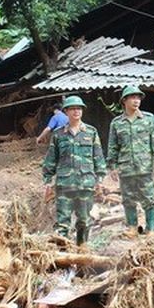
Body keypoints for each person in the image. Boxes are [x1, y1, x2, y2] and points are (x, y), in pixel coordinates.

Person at [42, 95, 106, 246]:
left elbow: (98, 156)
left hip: (85, 184)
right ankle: (61, 256)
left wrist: (100, 179)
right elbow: (51, 158)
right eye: (72, 109)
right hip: (65, 184)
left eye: (79, 108)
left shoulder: (91, 132)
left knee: (84, 221)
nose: (76, 111)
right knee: (62, 222)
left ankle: (81, 252)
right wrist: (47, 180)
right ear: (66, 111)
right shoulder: (58, 134)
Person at [107, 85, 154, 236]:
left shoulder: (149, 119)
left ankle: (151, 228)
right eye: (132, 97)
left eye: (138, 97)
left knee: (150, 198)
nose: (136, 101)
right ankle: (132, 227)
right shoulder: (117, 123)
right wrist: (112, 166)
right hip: (126, 167)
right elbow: (113, 146)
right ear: (124, 101)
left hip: (145, 166)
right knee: (128, 199)